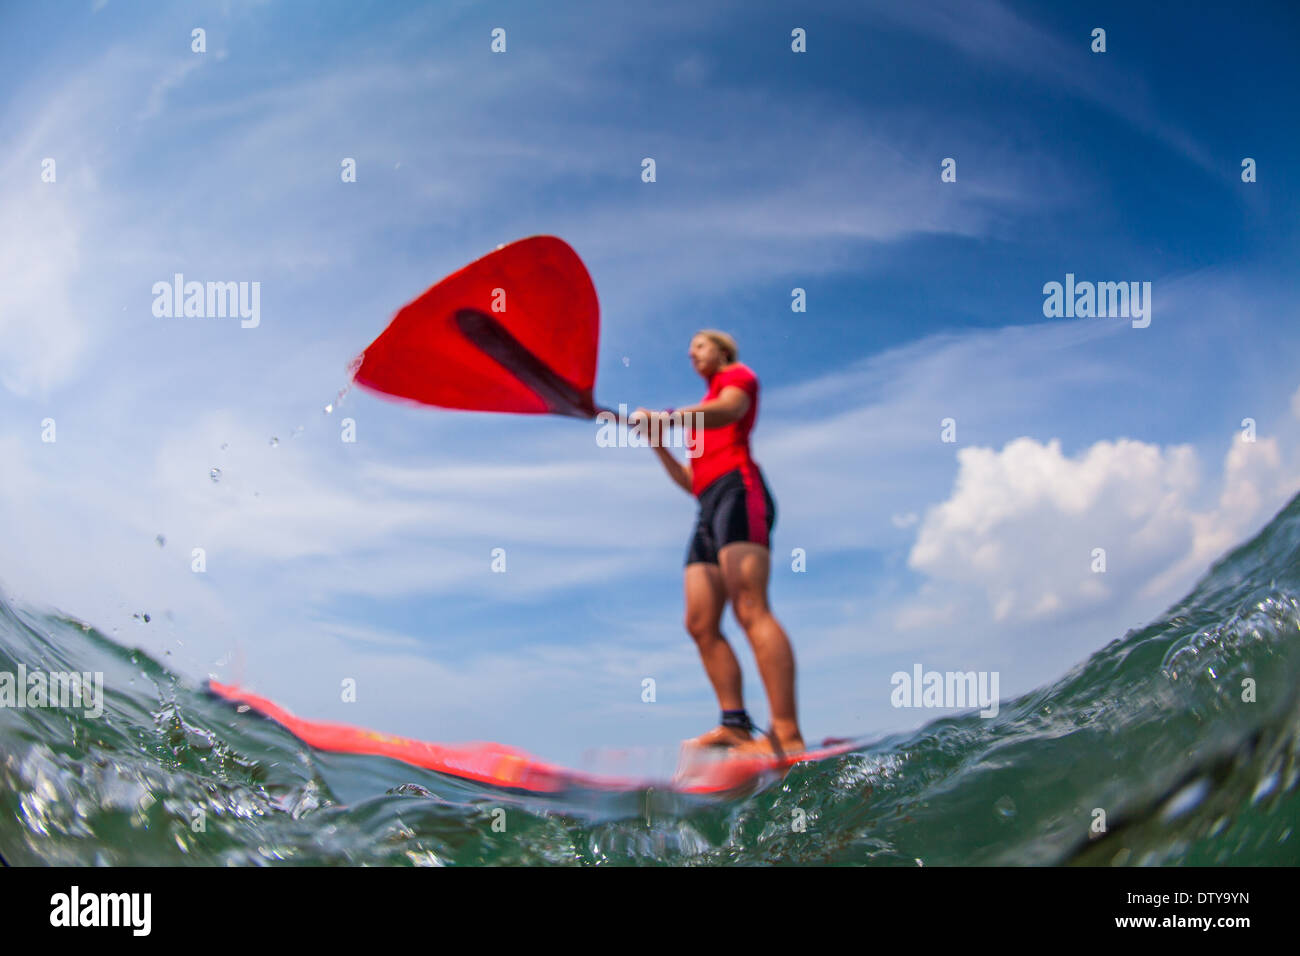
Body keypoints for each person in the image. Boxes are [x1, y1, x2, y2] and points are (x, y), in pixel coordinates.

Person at [632, 330, 805, 758]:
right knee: (700, 622)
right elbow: (692, 482)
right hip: (708, 505)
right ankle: (735, 726)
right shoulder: (699, 417)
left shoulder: (736, 378)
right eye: (689, 348)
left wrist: (667, 417)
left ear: (722, 350)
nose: (691, 352)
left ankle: (786, 733)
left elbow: (729, 411)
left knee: (750, 607)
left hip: (739, 492)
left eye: (700, 345)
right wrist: (658, 443)